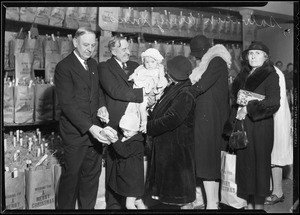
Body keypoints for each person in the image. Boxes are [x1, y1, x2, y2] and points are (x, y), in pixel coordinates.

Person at [54, 27, 111, 209]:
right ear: (75, 43)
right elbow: (67, 105)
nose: (90, 49)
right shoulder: (64, 67)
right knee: (72, 178)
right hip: (75, 133)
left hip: (95, 131)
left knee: (91, 177)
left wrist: (102, 106)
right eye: (86, 45)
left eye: (93, 45)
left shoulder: (93, 64)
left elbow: (98, 91)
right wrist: (91, 127)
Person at [97, 35, 153, 209]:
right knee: (115, 167)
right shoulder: (104, 67)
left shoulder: (136, 66)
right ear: (113, 51)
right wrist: (143, 95)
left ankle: (134, 199)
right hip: (118, 125)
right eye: (123, 49)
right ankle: (114, 206)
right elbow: (115, 91)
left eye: (129, 48)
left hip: (135, 126)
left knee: (134, 167)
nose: (128, 52)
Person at [224, 41, 280, 210]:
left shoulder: (271, 74)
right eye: (251, 53)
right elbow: (237, 101)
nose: (253, 56)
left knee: (259, 170)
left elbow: (274, 102)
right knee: (247, 171)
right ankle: (249, 207)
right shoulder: (244, 74)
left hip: (260, 128)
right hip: (243, 127)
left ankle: (259, 208)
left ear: (266, 57)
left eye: (257, 53)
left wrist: (248, 109)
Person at [144, 55, 196, 209]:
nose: (165, 72)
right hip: (169, 147)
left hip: (176, 149)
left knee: (180, 196)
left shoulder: (185, 93)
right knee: (170, 196)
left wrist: (147, 127)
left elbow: (172, 118)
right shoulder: (174, 87)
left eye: (168, 70)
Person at [188, 35, 232, 209]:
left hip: (210, 119)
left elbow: (201, 86)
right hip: (209, 117)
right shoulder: (212, 61)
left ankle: (212, 203)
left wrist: (182, 92)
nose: (196, 57)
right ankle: (209, 201)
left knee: (208, 160)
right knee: (208, 160)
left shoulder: (216, 62)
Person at [264, 64, 293, 205]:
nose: (252, 57)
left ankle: (278, 192)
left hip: (277, 117)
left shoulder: (273, 71)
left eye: (257, 53)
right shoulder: (268, 71)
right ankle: (271, 189)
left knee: (276, 155)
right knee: (271, 156)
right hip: (273, 116)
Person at [108, 113, 147, 209]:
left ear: (136, 130)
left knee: (129, 205)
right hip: (131, 178)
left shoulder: (137, 142)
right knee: (138, 201)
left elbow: (124, 152)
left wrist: (115, 141)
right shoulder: (129, 137)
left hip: (133, 180)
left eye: (128, 131)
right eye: (123, 130)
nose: (125, 133)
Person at [127, 48, 168, 132]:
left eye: (152, 62)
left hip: (152, 91)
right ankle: (130, 127)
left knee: (142, 108)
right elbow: (135, 72)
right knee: (133, 108)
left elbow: (161, 80)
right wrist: (132, 76)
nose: (149, 64)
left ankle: (144, 124)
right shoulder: (141, 68)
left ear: (157, 62)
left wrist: (158, 87)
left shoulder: (158, 69)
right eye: (147, 62)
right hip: (141, 91)